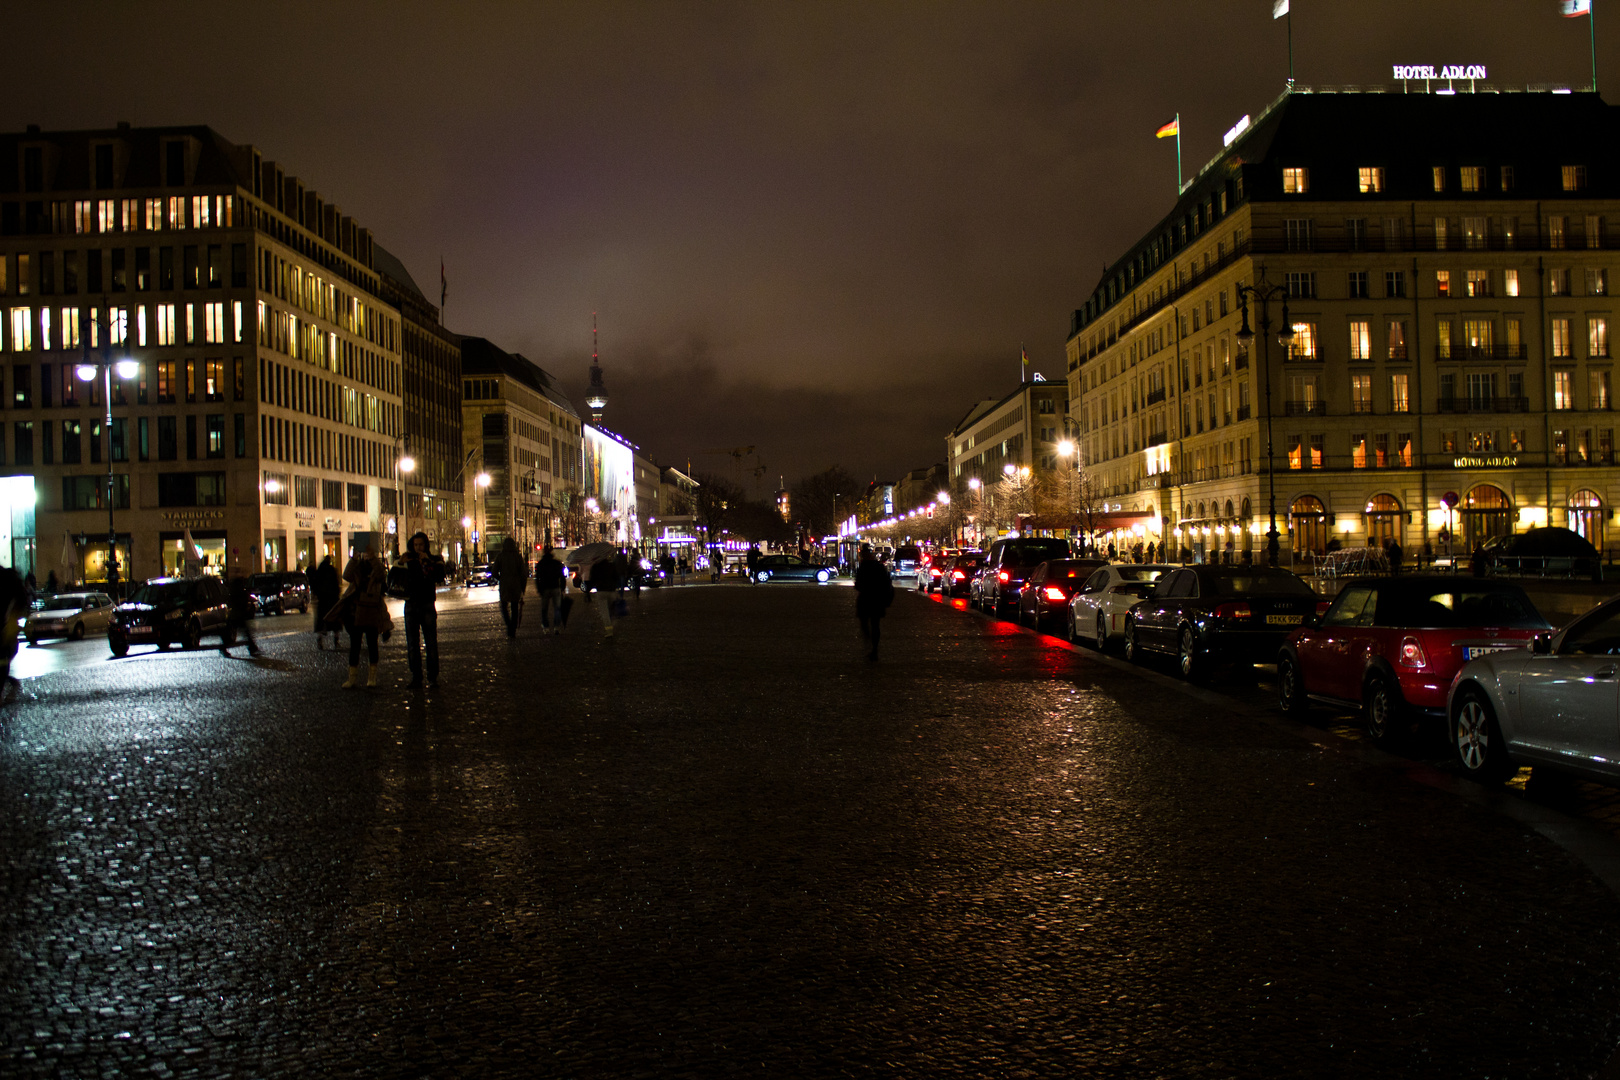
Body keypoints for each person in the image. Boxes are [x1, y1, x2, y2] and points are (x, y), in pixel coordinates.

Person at [394, 532, 446, 689]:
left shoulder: (434, 560)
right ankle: (416, 677)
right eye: (415, 545)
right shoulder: (407, 560)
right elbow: (393, 580)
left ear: (426, 545)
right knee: (412, 644)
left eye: (421, 545)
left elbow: (439, 576)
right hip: (411, 605)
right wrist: (400, 564)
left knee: (431, 643)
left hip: (427, 605)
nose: (418, 548)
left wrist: (427, 562)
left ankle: (432, 677)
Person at [332, 548, 390, 688]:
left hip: (371, 609)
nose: (365, 554)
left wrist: (373, 558)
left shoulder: (376, 568)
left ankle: (372, 677)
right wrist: (354, 559)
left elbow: (381, 575)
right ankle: (352, 678)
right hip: (356, 612)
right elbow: (346, 575)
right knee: (355, 645)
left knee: (372, 644)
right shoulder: (357, 567)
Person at [854, 542, 894, 662]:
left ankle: (870, 644)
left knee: (865, 623)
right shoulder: (879, 567)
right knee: (875, 624)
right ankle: (874, 647)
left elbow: (858, 585)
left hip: (867, 599)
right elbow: (887, 582)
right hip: (877, 600)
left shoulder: (863, 567)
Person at [218, 571, 261, 657]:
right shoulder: (239, 593)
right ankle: (251, 648)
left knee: (243, 633)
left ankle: (251, 648)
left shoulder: (234, 593)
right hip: (238, 615)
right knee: (243, 633)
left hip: (236, 615)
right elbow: (242, 602)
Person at [494, 537, 529, 638]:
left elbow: (494, 572)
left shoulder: (500, 556)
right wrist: (523, 588)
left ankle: (509, 625)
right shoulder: (518, 557)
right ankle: (513, 628)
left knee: (504, 607)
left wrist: (501, 579)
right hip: (516, 585)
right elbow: (523, 574)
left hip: (504, 585)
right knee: (514, 607)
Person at [310, 554, 341, 650]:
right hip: (332, 599)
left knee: (321, 621)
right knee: (334, 620)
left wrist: (318, 594)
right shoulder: (332, 570)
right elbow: (336, 584)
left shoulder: (319, 571)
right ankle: (336, 640)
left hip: (322, 600)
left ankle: (319, 640)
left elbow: (315, 583)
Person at [588, 553, 621, 637]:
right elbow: (617, 577)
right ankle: (613, 624)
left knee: (604, 612)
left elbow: (592, 579)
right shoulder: (611, 565)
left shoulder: (596, 567)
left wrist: (589, 589)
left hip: (601, 591)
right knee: (612, 610)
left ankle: (609, 630)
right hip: (611, 590)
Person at [535, 544, 565, 633]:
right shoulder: (556, 563)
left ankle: (546, 626)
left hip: (545, 588)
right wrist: (562, 587)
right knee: (557, 608)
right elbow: (562, 576)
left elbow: (538, 578)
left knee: (544, 609)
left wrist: (539, 589)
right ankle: (556, 626)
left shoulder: (540, 564)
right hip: (555, 587)